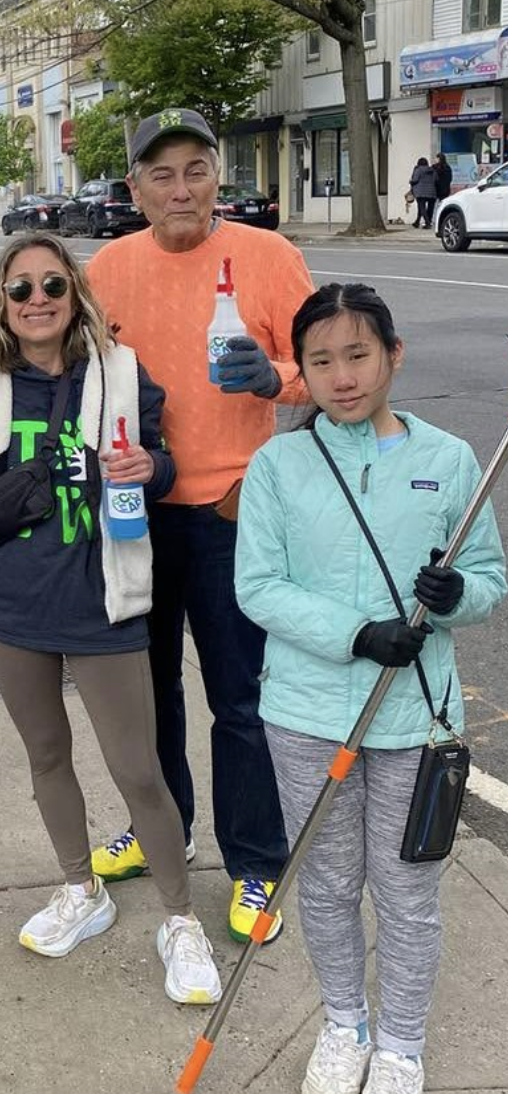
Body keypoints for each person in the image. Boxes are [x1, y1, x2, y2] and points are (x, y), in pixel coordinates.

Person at [236, 282, 505, 1094]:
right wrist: (355, 635)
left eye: (358, 355)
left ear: (393, 356)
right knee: (322, 883)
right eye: (321, 361)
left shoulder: (449, 460)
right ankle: (345, 1024)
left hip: (415, 724)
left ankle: (400, 1045)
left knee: (408, 890)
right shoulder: (279, 463)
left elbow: (488, 575)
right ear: (301, 373)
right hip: (306, 715)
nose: (342, 377)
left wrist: (460, 597)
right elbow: (259, 585)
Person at [0, 233, 222, 1003]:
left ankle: (180, 917)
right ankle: (80, 888)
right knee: (45, 756)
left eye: (53, 286)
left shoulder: (123, 374)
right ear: (1, 299)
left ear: (75, 297)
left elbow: (161, 464)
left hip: (105, 602)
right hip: (11, 603)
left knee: (139, 768)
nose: (37, 301)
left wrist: (150, 468)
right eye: (21, 288)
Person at [87, 107, 315, 943]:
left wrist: (277, 378)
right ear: (136, 188)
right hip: (133, 513)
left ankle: (256, 865)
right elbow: (67, 376)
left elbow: (321, 365)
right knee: (148, 697)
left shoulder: (268, 257)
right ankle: (163, 830)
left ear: (219, 177)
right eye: (161, 174)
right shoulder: (108, 267)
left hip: (235, 511)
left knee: (242, 701)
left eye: (195, 170)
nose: (180, 189)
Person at [409, 159, 437, 229]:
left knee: (422, 208)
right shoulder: (432, 170)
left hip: (420, 191)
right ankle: (417, 222)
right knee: (428, 208)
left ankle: (427, 223)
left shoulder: (418, 170)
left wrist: (411, 181)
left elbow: (415, 180)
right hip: (432, 191)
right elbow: (436, 179)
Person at [431, 153, 453, 218]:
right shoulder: (448, 167)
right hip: (445, 189)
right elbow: (450, 178)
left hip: (436, 189)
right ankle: (442, 218)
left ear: (439, 159)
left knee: (432, 206)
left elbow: (433, 178)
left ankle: (432, 219)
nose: (435, 159)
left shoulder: (434, 167)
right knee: (443, 205)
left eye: (436, 158)